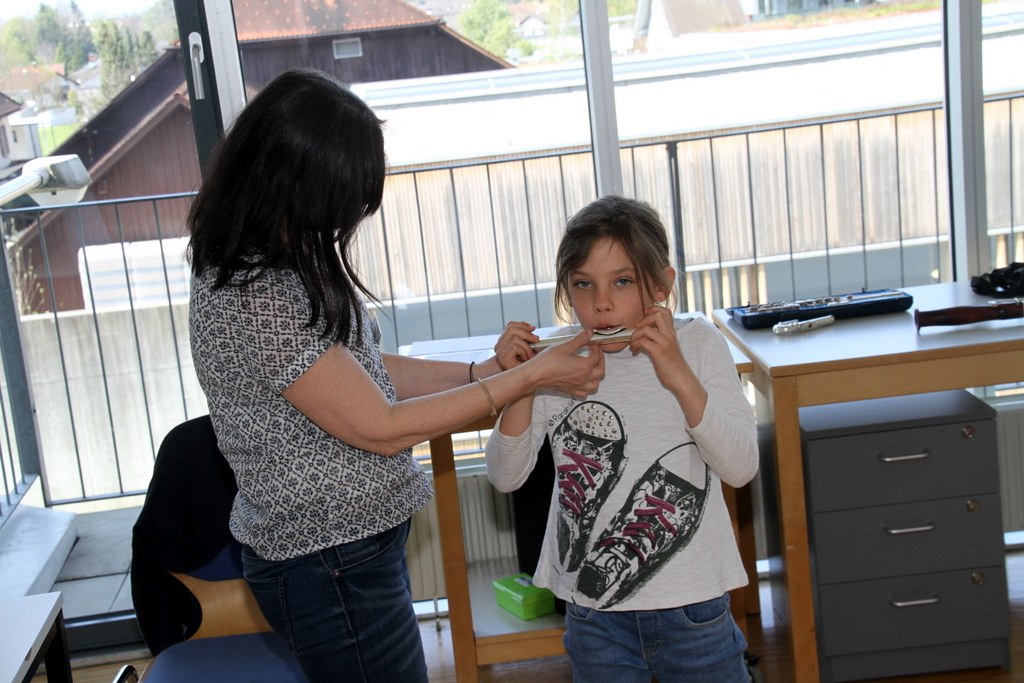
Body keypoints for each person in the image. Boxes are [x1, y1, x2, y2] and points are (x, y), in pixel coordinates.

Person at [186, 67, 605, 683]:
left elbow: (353, 373)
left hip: (350, 554)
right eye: (340, 201)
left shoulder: (282, 259)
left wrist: (480, 371)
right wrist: (525, 380)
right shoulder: (255, 292)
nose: (345, 220)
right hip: (327, 562)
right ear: (295, 182)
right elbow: (380, 426)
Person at [486, 195, 758, 682]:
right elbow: (506, 478)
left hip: (693, 602)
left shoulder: (698, 343)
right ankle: (586, 538)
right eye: (583, 284)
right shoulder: (556, 361)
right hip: (593, 615)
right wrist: (521, 382)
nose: (602, 303)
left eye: (623, 281)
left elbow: (741, 469)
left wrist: (676, 373)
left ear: (661, 285)